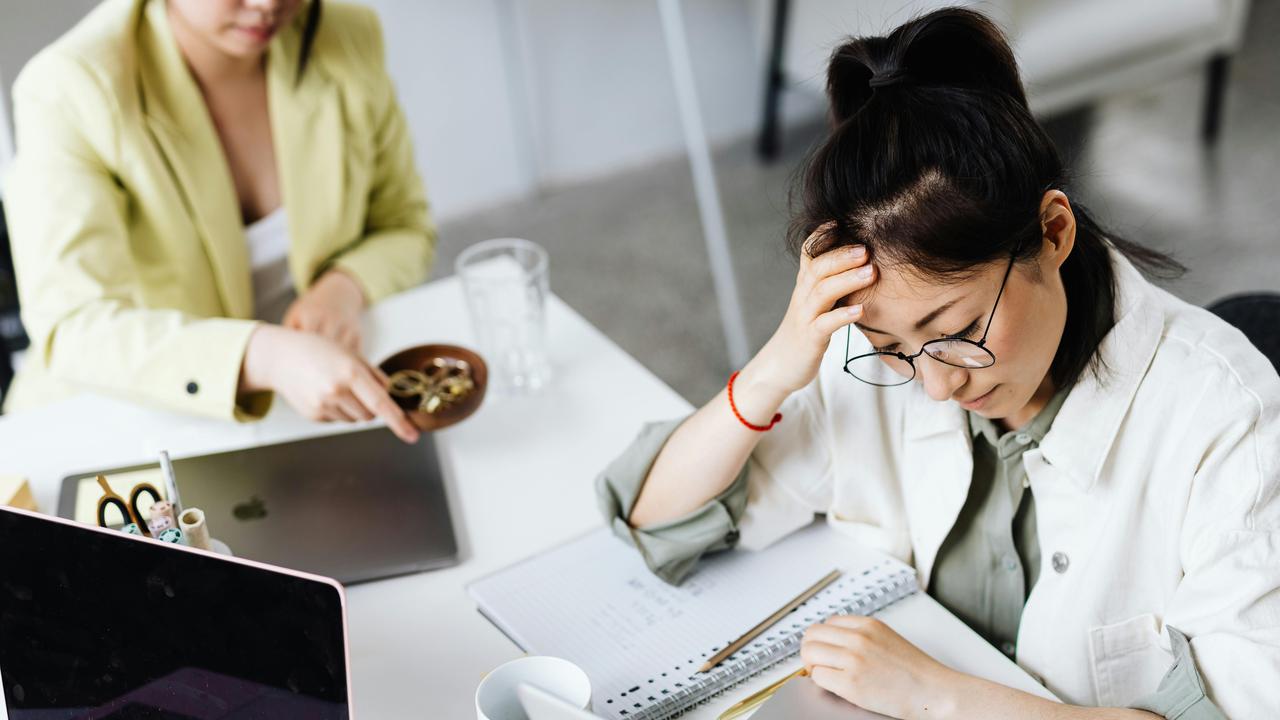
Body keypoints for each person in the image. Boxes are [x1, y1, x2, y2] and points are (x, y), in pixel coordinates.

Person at [596, 8, 1279, 718]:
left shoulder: (1227, 420)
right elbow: (656, 521)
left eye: (956, 330)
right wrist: (779, 362)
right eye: (892, 349)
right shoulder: (876, 357)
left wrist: (934, 695)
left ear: (1053, 231)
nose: (936, 383)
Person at [2, 0, 429, 443]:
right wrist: (262, 355)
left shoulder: (346, 33)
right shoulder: (71, 85)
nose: (268, 5)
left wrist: (345, 285)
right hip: (117, 418)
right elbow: (75, 326)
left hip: (303, 399)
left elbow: (405, 224)